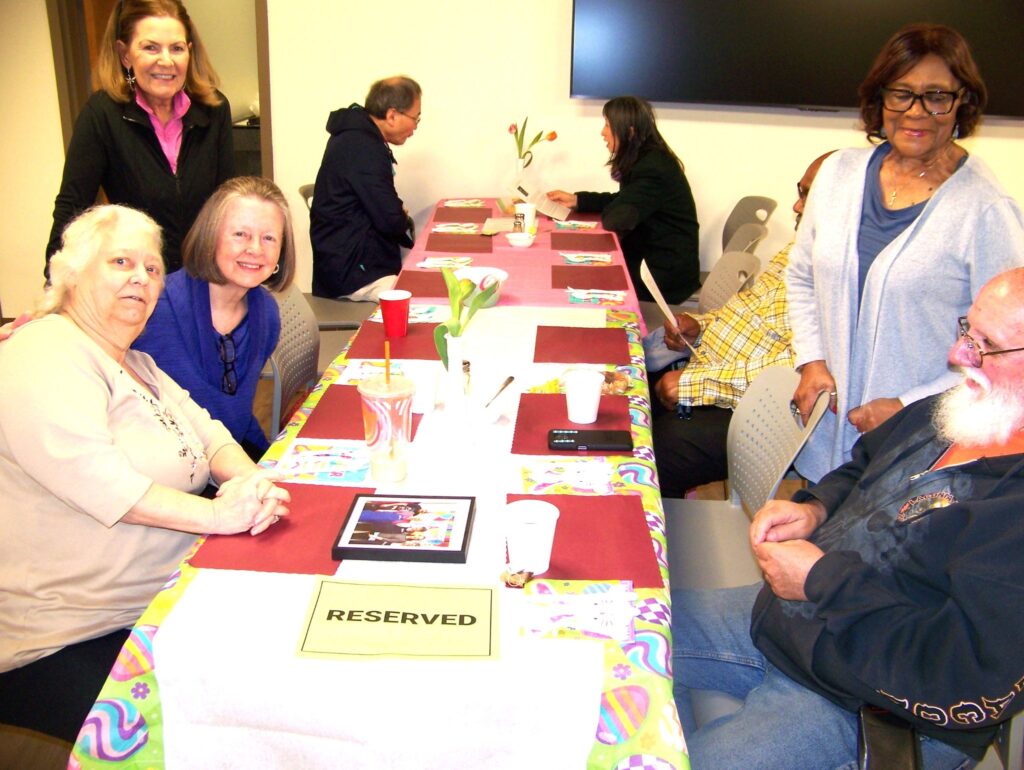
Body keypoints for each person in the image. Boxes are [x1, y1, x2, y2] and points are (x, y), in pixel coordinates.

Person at [672, 267, 1024, 769]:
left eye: (985, 345)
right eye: (967, 330)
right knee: (612, 633)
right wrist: (814, 508)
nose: (957, 356)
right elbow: (863, 464)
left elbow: (961, 674)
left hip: (865, 698)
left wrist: (822, 581)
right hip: (789, 617)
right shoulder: (964, 407)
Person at [0, 205, 289, 743]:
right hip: (74, 629)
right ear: (72, 273)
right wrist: (219, 514)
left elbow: (213, 436)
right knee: (232, 725)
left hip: (164, 593)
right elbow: (102, 482)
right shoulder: (43, 351)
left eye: (153, 268)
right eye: (120, 262)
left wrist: (252, 482)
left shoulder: (136, 363)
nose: (141, 277)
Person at [788, 23, 1024, 483]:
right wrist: (812, 359)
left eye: (937, 96)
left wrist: (906, 407)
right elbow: (800, 277)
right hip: (827, 432)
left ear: (962, 104)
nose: (917, 112)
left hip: (915, 447)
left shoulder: (987, 210)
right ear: (880, 99)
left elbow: (1007, 352)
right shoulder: (837, 173)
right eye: (902, 94)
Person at [650, 153, 831, 498]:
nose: (795, 205)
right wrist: (700, 326)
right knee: (630, 391)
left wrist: (693, 384)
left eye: (809, 196)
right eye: (800, 192)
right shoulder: (798, 250)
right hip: (716, 372)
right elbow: (748, 312)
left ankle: (646, 538)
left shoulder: (839, 282)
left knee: (659, 450)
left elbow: (792, 371)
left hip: (758, 410)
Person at [46, 0, 235, 278]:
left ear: (189, 53)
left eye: (177, 48)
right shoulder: (103, 114)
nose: (166, 61)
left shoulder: (214, 109)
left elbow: (228, 204)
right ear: (125, 54)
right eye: (150, 47)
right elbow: (72, 211)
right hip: (141, 284)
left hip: (204, 282)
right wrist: (55, 289)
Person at [134, 176, 296, 459]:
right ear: (210, 237)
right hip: (165, 475)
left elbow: (237, 420)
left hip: (226, 463)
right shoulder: (152, 310)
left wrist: (270, 464)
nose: (256, 249)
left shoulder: (265, 315)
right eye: (240, 234)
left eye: (269, 238)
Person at [547, 96, 700, 303]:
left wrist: (612, 206)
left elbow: (617, 219)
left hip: (662, 274)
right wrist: (577, 200)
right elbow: (623, 200)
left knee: (583, 279)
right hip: (652, 258)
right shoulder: (646, 158)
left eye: (608, 125)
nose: (603, 132)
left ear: (629, 131)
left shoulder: (652, 168)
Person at [310, 76, 420, 301]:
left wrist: (396, 214)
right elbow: (390, 219)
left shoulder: (356, 135)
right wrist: (399, 215)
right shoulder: (363, 147)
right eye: (416, 119)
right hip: (352, 272)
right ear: (391, 115)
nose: (415, 128)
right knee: (423, 296)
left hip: (347, 260)